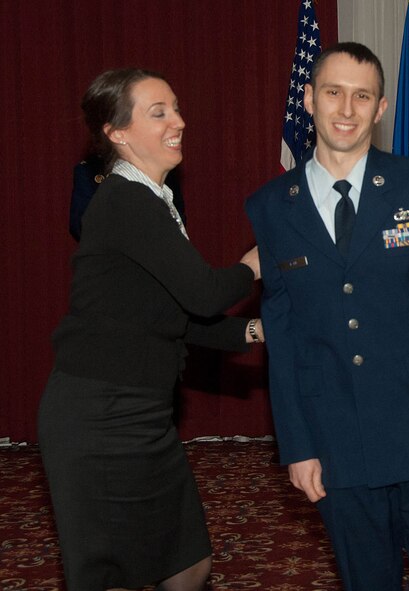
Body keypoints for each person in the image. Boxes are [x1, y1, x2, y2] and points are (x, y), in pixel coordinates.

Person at [245, 42, 409, 590]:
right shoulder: (270, 206)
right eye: (333, 92)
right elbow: (282, 333)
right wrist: (297, 445)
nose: (346, 109)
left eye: (362, 96)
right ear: (309, 99)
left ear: (380, 109)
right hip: (336, 441)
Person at [38, 69, 264, 591]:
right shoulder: (125, 200)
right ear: (117, 133)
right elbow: (205, 293)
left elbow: (174, 318)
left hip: (142, 416)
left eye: (176, 108)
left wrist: (255, 331)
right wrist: (256, 263)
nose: (179, 121)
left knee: (187, 565)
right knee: (109, 577)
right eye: (158, 112)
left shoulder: (151, 202)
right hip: (99, 418)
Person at [69, 152, 185, 241]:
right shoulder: (90, 170)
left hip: (161, 256)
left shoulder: (161, 168)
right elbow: (81, 225)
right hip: (112, 260)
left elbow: (178, 218)